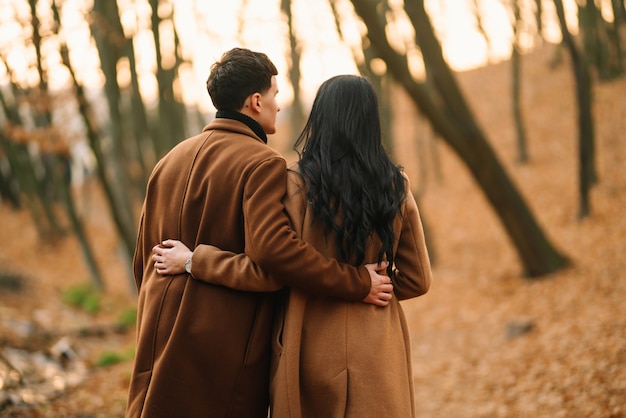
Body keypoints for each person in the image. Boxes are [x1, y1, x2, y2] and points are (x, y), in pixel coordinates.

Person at [126, 49, 395, 418]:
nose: (278, 105)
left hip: (156, 338)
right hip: (221, 346)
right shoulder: (262, 163)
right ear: (256, 101)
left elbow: (143, 263)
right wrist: (356, 282)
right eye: (275, 94)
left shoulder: (167, 162)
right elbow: (274, 260)